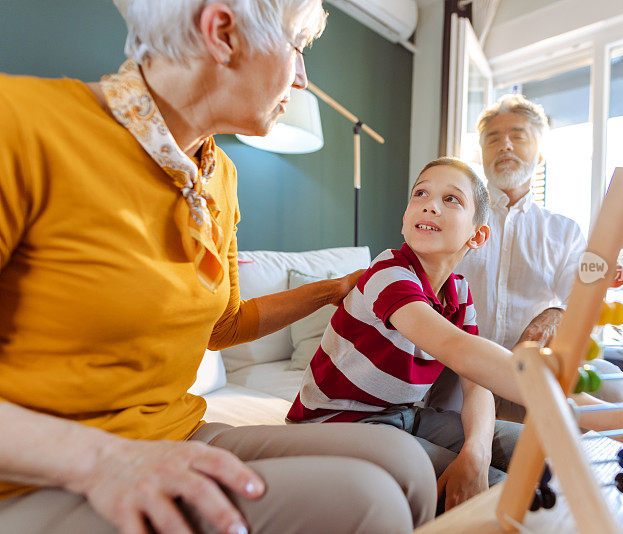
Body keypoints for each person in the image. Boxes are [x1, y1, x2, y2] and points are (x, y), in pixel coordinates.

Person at [0, 1, 436, 533]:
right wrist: (102, 461)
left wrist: (333, 290)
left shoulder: (217, 175)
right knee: (369, 502)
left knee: (405, 463)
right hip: (35, 472)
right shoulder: (18, 125)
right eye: (297, 46)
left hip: (172, 432)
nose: (302, 78)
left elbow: (222, 326)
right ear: (223, 33)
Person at [286, 157, 623, 513]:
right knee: (507, 493)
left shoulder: (460, 292)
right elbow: (458, 349)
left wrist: (476, 452)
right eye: (420, 193)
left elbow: (475, 382)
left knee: (547, 455)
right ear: (406, 219)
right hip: (336, 425)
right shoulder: (387, 272)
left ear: (477, 235)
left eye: (451, 199)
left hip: (405, 418)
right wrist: (609, 417)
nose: (430, 204)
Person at [437, 94, 623, 421]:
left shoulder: (564, 232)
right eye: (493, 139)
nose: (505, 146)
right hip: (462, 373)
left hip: (535, 371)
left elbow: (580, 300)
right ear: (483, 154)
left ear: (540, 153)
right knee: (433, 400)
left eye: (518, 136)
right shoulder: (452, 220)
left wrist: (557, 312)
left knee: (613, 386)